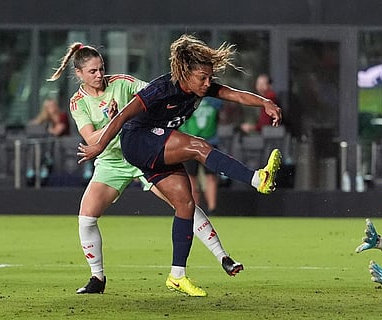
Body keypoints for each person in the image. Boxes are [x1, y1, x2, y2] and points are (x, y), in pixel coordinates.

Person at [77, 34, 283, 297]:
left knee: (185, 204)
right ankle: (257, 179)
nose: (208, 83)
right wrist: (99, 146)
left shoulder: (200, 85)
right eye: (203, 78)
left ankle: (177, 275)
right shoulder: (162, 88)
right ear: (186, 73)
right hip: (137, 141)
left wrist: (264, 102)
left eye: (210, 77)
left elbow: (235, 95)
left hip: (157, 148)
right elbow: (123, 118)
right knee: (198, 146)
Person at [48, 42, 245, 297]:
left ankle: (223, 257)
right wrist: (113, 119)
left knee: (184, 203)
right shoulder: (78, 103)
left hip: (144, 153)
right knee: (86, 218)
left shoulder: (123, 82)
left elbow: (156, 96)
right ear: (79, 74)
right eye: (93, 71)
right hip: (111, 163)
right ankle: (97, 278)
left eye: (101, 69)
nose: (99, 75)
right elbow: (91, 140)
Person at [179, 96, 223, 214]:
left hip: (209, 142)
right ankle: (195, 209)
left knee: (210, 176)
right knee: (191, 177)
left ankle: (212, 209)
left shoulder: (213, 101)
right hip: (190, 143)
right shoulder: (187, 101)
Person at [26, 97, 70, 185]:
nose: (51, 108)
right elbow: (35, 126)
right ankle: (33, 170)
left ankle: (46, 164)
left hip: (60, 145)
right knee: (36, 145)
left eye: (52, 106)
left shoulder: (62, 116)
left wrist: (47, 130)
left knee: (48, 144)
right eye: (48, 106)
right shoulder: (45, 118)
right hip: (45, 145)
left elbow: (58, 131)